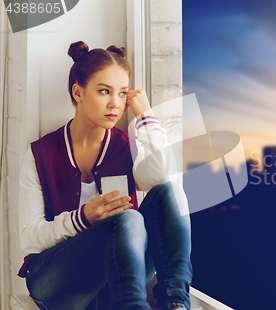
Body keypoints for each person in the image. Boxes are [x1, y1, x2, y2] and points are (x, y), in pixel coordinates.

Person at [16, 41, 193, 310]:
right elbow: (30, 237)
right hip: (56, 285)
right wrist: (83, 218)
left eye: (123, 94)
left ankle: (177, 304)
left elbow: (165, 178)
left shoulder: (127, 147)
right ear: (78, 92)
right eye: (104, 91)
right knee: (129, 217)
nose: (115, 104)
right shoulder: (41, 153)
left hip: (116, 285)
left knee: (171, 192)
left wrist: (146, 117)